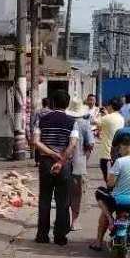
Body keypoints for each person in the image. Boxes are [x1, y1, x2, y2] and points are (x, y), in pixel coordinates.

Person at [33, 90, 79, 245]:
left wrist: (52, 154)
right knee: (63, 201)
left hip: (46, 163)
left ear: (52, 103)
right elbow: (72, 144)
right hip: (64, 164)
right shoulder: (72, 122)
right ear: (67, 104)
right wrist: (60, 160)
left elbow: (36, 142)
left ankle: (42, 235)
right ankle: (60, 236)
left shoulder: (42, 119)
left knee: (45, 199)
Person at [67, 98, 96, 231]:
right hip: (79, 163)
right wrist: (86, 157)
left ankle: (63, 219)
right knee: (77, 194)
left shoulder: (65, 122)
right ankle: (74, 222)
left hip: (62, 162)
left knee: (63, 193)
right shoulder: (85, 124)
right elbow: (90, 144)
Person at [97, 99, 125, 182]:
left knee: (103, 165)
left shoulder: (106, 118)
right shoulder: (121, 118)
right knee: (115, 166)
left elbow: (95, 122)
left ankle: (108, 182)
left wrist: (101, 114)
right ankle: (114, 183)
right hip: (117, 146)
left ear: (110, 106)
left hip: (107, 147)